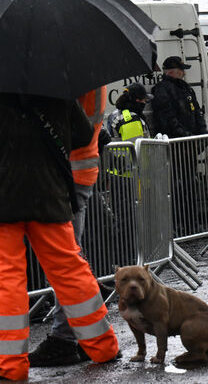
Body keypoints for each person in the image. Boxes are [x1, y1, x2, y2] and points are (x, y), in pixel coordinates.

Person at [0, 93, 120, 379]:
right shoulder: (54, 90)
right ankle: (103, 347)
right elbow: (81, 134)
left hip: (4, 197)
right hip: (50, 194)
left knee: (7, 277)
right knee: (69, 269)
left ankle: (11, 365)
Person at [26, 87, 107, 367]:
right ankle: (84, 336)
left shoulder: (64, 77)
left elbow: (69, 128)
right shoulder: (81, 68)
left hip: (64, 175)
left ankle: (66, 337)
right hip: (74, 173)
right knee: (70, 260)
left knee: (65, 263)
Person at [150, 55, 205, 138]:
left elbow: (197, 111)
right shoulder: (162, 90)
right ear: (171, 72)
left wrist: (203, 132)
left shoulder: (186, 88)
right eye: (181, 70)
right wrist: (185, 135)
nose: (184, 73)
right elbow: (168, 119)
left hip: (190, 140)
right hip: (175, 143)